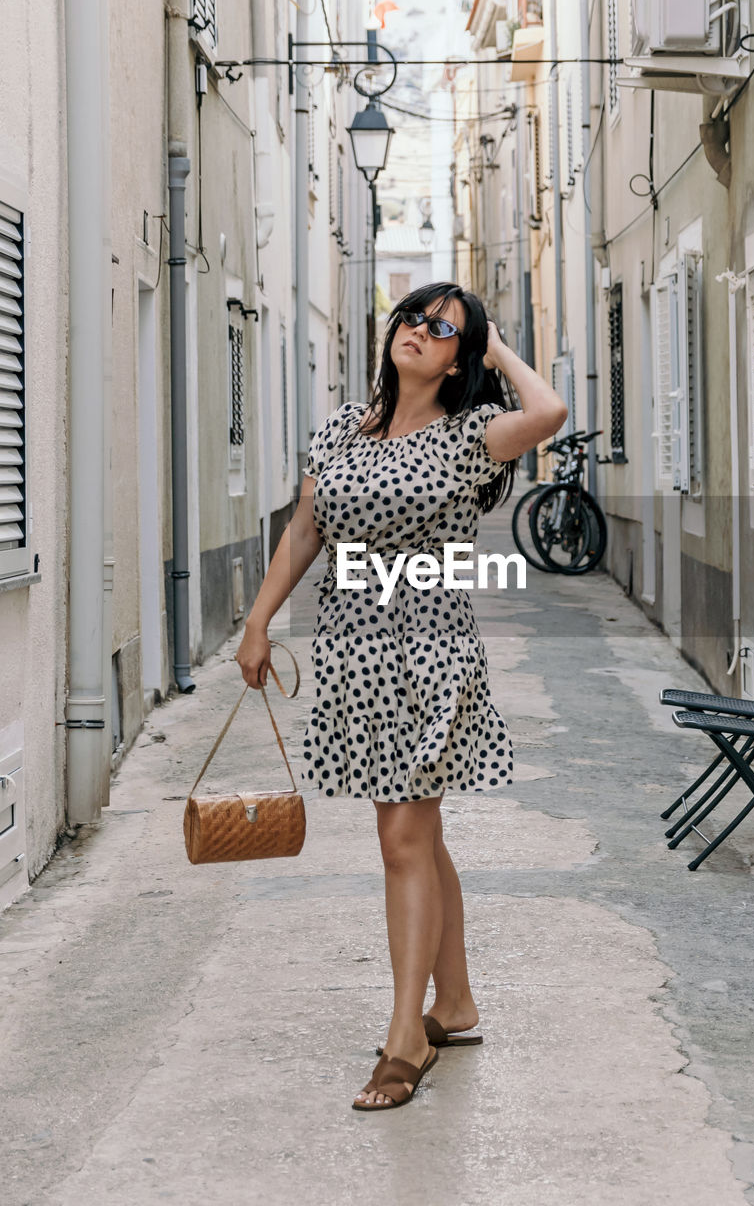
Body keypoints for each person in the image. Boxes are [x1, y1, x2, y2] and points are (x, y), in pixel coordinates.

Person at [236, 282, 568, 1111]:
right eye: (414, 318)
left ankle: (405, 1036)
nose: (419, 332)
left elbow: (550, 410)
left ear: (461, 358)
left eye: (442, 328)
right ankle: (452, 1003)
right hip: (354, 652)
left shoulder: (470, 436)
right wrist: (257, 621)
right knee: (420, 834)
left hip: (427, 654)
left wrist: (493, 345)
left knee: (401, 841)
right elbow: (306, 529)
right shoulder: (342, 426)